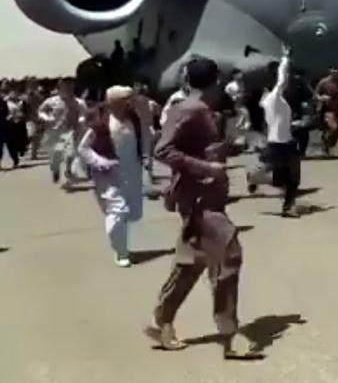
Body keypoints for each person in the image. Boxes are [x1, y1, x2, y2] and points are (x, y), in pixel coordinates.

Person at [146, 57, 263, 359]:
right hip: (198, 199)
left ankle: (162, 321)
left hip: (204, 196)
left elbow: (195, 147)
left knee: (191, 262)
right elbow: (163, 149)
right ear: (216, 81)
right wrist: (206, 167)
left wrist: (231, 148)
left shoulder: (202, 110)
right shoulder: (189, 109)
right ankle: (229, 335)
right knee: (229, 255)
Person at [76, 86, 152, 267]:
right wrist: (101, 162)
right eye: (125, 99)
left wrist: (146, 157)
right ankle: (121, 252)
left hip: (132, 172)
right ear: (114, 102)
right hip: (108, 175)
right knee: (118, 211)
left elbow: (146, 136)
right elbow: (83, 148)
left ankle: (121, 244)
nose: (129, 102)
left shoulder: (134, 119)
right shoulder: (101, 124)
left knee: (132, 213)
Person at [257, 48, 301, 218]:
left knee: (292, 179)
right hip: (277, 144)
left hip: (286, 142)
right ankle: (255, 178)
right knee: (281, 179)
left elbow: (279, 121)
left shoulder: (273, 100)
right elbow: (282, 79)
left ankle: (288, 207)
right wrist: (285, 58)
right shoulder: (274, 98)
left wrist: (294, 125)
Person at [38, 78, 86, 188]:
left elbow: (83, 113)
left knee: (70, 153)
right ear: (59, 88)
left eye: (70, 87)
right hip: (56, 132)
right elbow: (41, 111)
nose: (69, 89)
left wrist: (81, 120)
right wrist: (47, 118)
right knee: (56, 155)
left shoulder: (79, 102)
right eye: (65, 87)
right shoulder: (51, 101)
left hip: (71, 131)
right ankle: (55, 170)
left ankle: (68, 172)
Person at [314, 67, 338, 156]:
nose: (335, 72)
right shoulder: (324, 82)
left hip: (337, 109)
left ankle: (327, 145)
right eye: (333, 70)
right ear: (330, 71)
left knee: (337, 129)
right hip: (327, 109)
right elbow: (316, 94)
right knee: (333, 128)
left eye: (337, 70)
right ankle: (325, 146)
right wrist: (322, 98)